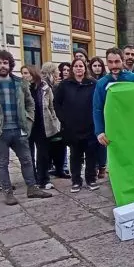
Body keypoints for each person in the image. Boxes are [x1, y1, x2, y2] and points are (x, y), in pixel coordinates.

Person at [0, 50, 52, 205]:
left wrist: (29, 120)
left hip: (19, 129)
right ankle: (8, 193)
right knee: (2, 163)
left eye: (5, 63)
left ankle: (32, 188)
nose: (2, 66)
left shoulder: (20, 83)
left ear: (10, 64)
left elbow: (30, 103)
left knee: (27, 160)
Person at [56, 59, 99, 192]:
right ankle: (76, 181)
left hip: (90, 125)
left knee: (91, 155)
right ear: (72, 69)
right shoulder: (64, 85)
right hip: (72, 127)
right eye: (76, 66)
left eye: (81, 66)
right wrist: (64, 119)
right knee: (75, 155)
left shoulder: (93, 83)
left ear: (85, 68)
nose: (79, 68)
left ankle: (91, 179)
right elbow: (57, 103)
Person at [93, 48, 134, 147]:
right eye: (110, 62)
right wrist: (99, 131)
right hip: (112, 131)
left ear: (122, 60)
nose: (114, 65)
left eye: (117, 61)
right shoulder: (101, 83)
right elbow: (97, 108)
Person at [22, 65, 61, 190]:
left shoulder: (44, 87)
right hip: (27, 125)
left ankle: (43, 179)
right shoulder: (21, 88)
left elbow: (51, 106)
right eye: (22, 73)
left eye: (26, 73)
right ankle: (32, 179)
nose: (24, 76)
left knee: (43, 153)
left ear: (33, 74)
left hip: (42, 124)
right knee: (28, 154)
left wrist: (54, 121)